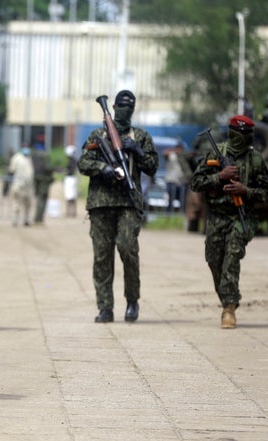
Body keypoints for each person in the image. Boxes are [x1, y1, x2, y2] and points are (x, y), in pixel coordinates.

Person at [78, 90, 158, 323]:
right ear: (112, 107)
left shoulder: (141, 136)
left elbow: (152, 166)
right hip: (101, 204)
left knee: (127, 248)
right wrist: (104, 170)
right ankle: (105, 307)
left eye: (128, 106)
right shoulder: (97, 135)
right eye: (120, 105)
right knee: (102, 257)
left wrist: (137, 151)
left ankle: (132, 300)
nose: (124, 109)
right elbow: (83, 161)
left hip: (129, 203)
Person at [190, 115, 268, 329]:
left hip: (243, 216)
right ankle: (228, 298)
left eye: (246, 135)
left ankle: (229, 308)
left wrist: (245, 190)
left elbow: (265, 193)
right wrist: (219, 177)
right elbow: (196, 183)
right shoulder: (214, 153)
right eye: (238, 134)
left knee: (231, 258)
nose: (242, 139)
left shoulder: (255, 159)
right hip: (216, 216)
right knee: (214, 260)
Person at [8, 144, 35, 226]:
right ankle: (15, 220)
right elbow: (11, 170)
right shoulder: (16, 158)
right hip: (18, 183)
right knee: (16, 203)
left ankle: (26, 219)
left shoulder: (29, 158)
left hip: (28, 185)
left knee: (28, 203)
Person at [31, 138, 55, 223]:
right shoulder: (44, 156)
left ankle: (38, 218)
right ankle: (38, 218)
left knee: (39, 198)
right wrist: (55, 168)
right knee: (42, 199)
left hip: (37, 179)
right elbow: (47, 167)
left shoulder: (34, 156)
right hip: (44, 181)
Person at [63, 144, 79, 218]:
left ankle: (70, 212)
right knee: (71, 196)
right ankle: (71, 212)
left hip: (70, 179)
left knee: (70, 196)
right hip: (72, 179)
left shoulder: (70, 161)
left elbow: (69, 171)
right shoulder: (73, 160)